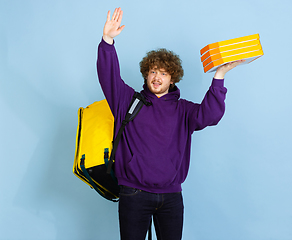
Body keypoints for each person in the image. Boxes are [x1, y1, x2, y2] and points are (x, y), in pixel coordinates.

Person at [97, 7, 245, 240]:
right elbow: (109, 76)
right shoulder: (127, 100)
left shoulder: (184, 109)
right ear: (146, 74)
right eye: (153, 71)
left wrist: (219, 76)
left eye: (164, 73)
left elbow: (211, 115)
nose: (157, 77)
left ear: (172, 78)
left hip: (171, 196)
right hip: (134, 193)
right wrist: (107, 41)